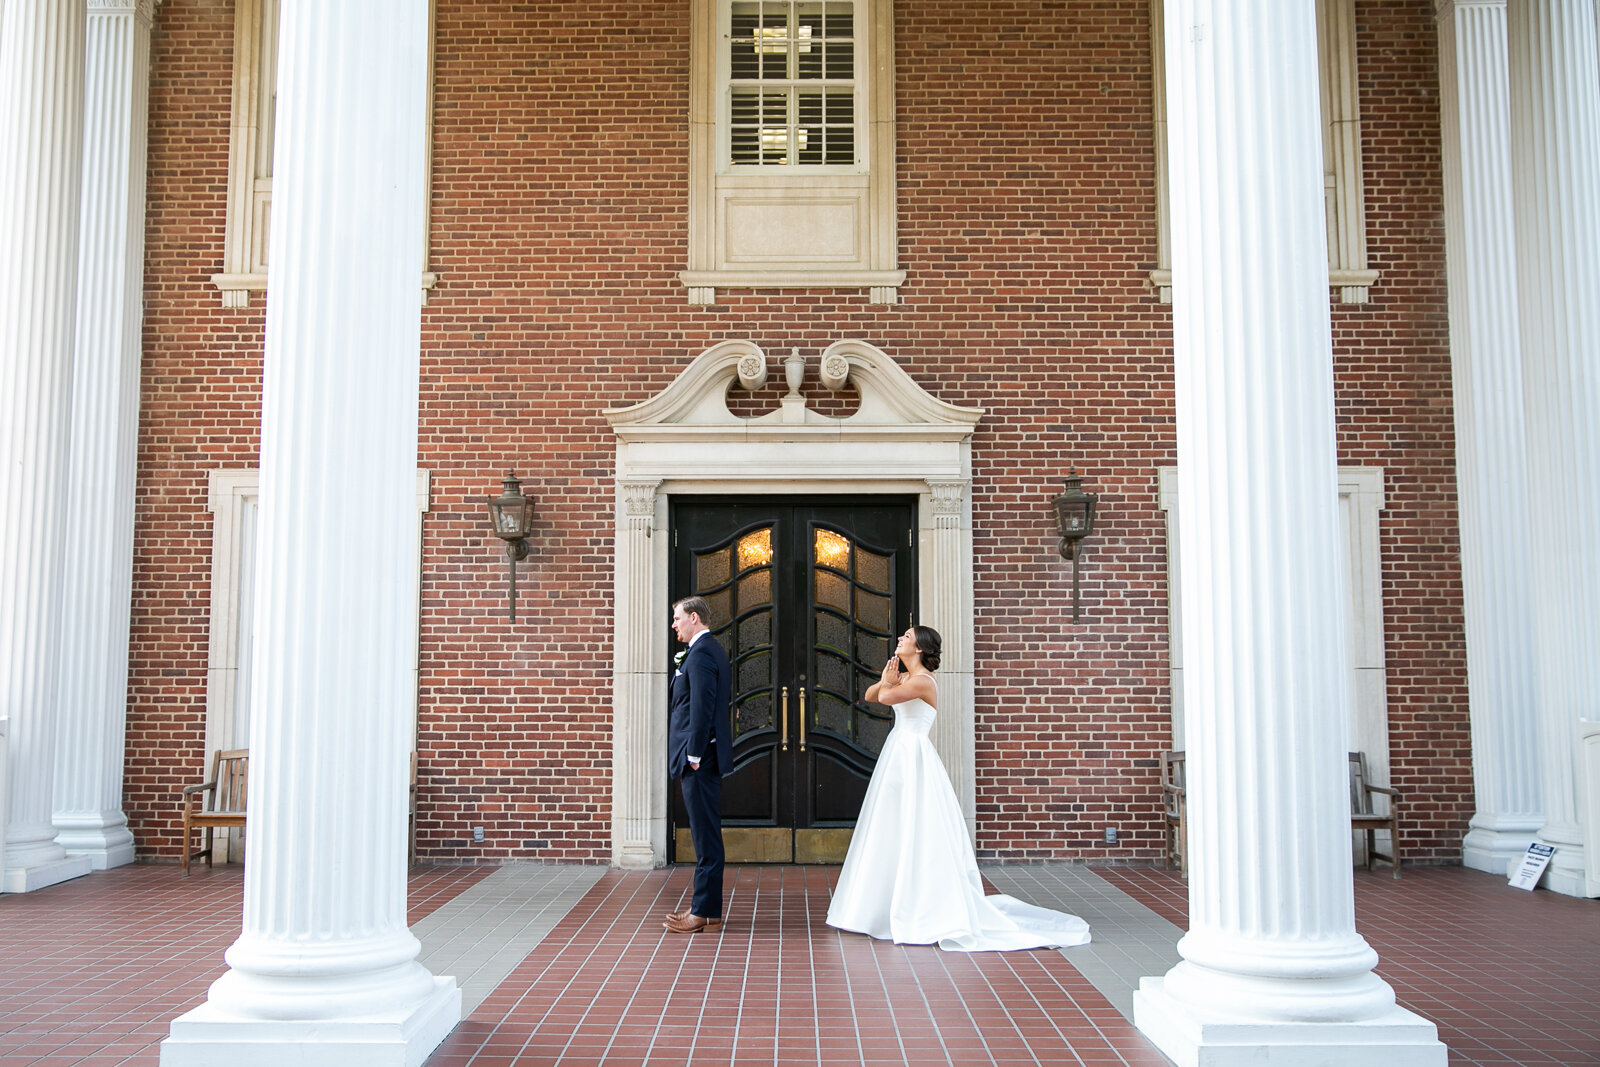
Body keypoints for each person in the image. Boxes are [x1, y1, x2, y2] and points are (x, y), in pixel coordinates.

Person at [826, 625, 1092, 951]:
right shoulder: (907, 678)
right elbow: (870, 695)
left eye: (906, 638)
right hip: (898, 755)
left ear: (920, 648)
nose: (899, 640)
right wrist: (887, 679)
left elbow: (884, 697)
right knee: (891, 824)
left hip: (914, 756)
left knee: (917, 824)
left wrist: (887, 682)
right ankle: (881, 906)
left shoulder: (922, 681)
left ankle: (921, 907)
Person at [663, 596, 733, 934]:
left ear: (694, 618)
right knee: (705, 833)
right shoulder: (703, 651)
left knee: (705, 837)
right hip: (700, 758)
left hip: (700, 760)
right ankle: (707, 910)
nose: (674, 624)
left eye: (677, 618)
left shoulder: (703, 653)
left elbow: (703, 707)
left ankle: (702, 911)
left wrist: (693, 756)